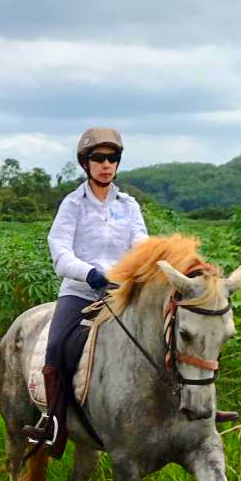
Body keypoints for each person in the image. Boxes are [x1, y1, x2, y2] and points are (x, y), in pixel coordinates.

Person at [23, 127, 149, 457]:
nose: (106, 164)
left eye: (112, 158)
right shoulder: (72, 204)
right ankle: (53, 422)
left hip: (121, 292)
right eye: (99, 158)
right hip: (80, 291)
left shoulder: (128, 205)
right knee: (56, 346)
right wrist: (89, 273)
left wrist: (131, 273)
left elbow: (141, 245)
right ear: (86, 163)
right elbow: (60, 250)